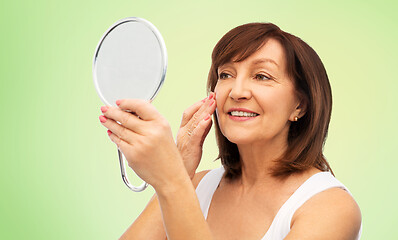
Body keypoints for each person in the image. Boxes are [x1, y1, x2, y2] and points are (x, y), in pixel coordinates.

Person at [98, 22, 362, 240]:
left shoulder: (331, 208)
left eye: (262, 76)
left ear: (300, 105)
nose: (236, 92)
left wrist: (171, 180)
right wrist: (180, 171)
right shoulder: (196, 185)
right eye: (225, 75)